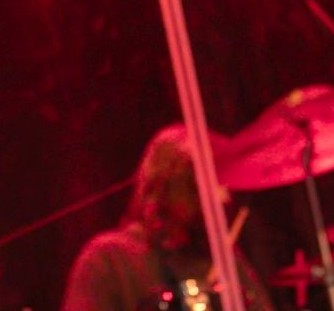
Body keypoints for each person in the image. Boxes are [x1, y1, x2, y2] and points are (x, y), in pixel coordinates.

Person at [62, 128, 270, 311]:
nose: (224, 197)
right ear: (171, 186)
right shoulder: (108, 260)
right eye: (204, 184)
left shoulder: (222, 257)